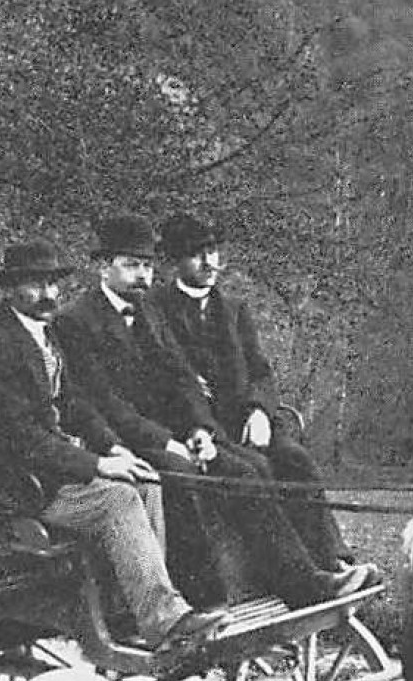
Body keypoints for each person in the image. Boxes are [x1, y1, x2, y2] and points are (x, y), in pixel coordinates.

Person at [56, 215, 375, 607]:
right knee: (193, 474)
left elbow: (180, 378)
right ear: (103, 267)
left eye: (146, 265)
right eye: (131, 265)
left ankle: (299, 578)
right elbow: (103, 401)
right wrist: (167, 442)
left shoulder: (148, 311)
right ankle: (210, 596)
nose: (142, 275)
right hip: (123, 439)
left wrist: (199, 430)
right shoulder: (75, 321)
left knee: (250, 467)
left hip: (173, 431)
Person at [0, 238, 225, 659]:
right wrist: (97, 465)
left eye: (51, 284)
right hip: (17, 485)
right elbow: (23, 438)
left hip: (51, 468)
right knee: (117, 499)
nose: (47, 294)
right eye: (34, 285)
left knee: (148, 479)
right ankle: (161, 618)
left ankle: (143, 611)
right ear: (9, 290)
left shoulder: (42, 333)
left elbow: (73, 403)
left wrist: (114, 449)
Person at [150, 212, 365, 577]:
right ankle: (284, 573)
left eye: (213, 252)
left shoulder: (234, 309)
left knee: (296, 460)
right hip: (198, 428)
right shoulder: (155, 309)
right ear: (174, 262)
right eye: (196, 254)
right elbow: (165, 379)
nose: (209, 263)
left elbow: (261, 372)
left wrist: (260, 411)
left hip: (246, 422)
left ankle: (332, 558)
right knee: (257, 472)